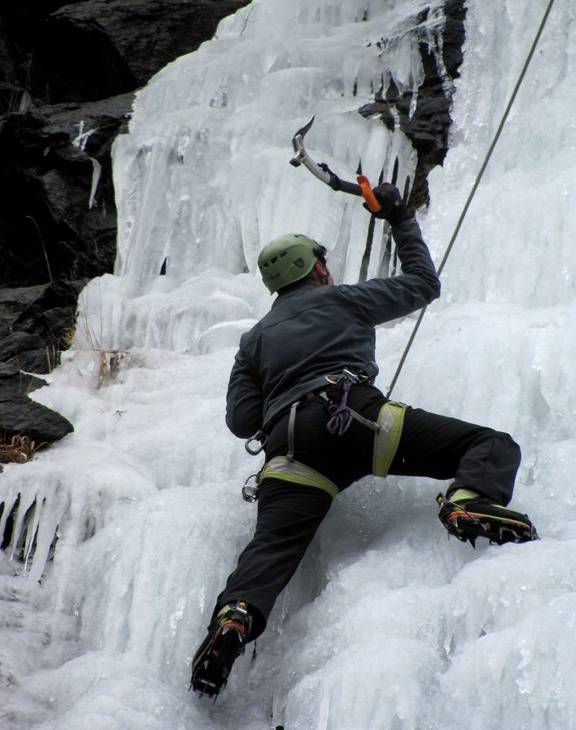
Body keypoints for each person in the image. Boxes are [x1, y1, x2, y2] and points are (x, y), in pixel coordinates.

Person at [190, 184, 537, 697]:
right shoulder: (341, 299)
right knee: (489, 443)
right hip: (358, 420)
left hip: (290, 452)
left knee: (270, 551)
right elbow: (423, 283)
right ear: (317, 268)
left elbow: (242, 420)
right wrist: (398, 217)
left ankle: (235, 616)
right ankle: (467, 499)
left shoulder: (254, 340)